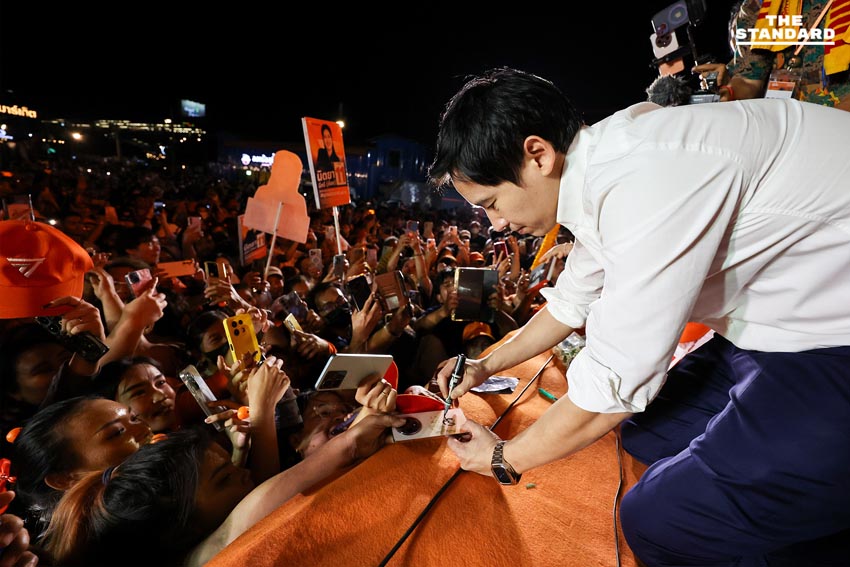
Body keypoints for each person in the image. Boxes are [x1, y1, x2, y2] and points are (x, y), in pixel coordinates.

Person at [429, 67, 850, 566]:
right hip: (781, 326)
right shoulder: (608, 163)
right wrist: (486, 365)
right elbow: (571, 303)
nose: (496, 224)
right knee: (652, 429)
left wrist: (501, 459)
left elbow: (613, 388)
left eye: (492, 203)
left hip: (828, 340)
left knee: (662, 521)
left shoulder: (649, 181)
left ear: (537, 154)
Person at [41, 413, 404, 567]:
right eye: (225, 478)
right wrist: (355, 434)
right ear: (183, 529)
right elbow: (254, 508)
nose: (243, 475)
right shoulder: (214, 550)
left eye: (230, 463)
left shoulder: (192, 539)